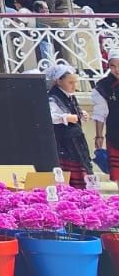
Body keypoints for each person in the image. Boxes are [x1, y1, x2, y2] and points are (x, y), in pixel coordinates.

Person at [47, 61, 93, 189]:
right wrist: (65, 117)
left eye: (75, 82)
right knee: (71, 172)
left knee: (83, 167)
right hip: (65, 142)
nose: (74, 86)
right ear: (58, 81)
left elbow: (73, 111)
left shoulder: (70, 97)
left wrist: (81, 113)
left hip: (76, 139)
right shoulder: (53, 97)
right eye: (70, 82)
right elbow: (50, 116)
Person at [91, 53, 119, 182]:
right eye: (113, 66)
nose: (116, 70)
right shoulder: (104, 86)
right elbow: (100, 113)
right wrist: (99, 135)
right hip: (115, 133)